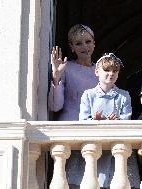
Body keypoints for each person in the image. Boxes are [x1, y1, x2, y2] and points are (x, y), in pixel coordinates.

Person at [47, 24, 98, 189]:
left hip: (96, 133)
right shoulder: (66, 68)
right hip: (71, 132)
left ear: (94, 43)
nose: (85, 46)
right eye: (79, 43)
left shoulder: (103, 69)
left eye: (88, 41)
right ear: (72, 47)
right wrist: (56, 77)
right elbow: (55, 106)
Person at [79, 53, 140, 189]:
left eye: (115, 71)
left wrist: (118, 120)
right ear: (97, 71)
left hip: (118, 148)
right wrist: (95, 120)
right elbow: (83, 121)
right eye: (106, 70)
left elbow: (127, 119)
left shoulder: (124, 95)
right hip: (97, 148)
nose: (111, 74)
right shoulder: (89, 95)